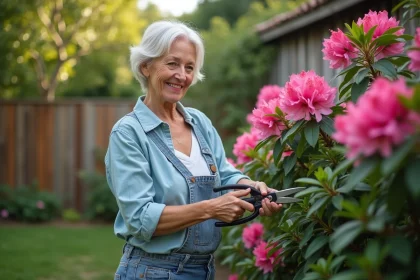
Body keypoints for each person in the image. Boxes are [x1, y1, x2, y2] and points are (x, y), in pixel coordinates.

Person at [105, 20, 282, 280]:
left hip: (203, 270)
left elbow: (226, 174)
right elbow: (140, 218)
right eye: (172, 63)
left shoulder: (199, 122)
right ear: (146, 66)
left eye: (189, 67)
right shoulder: (129, 134)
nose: (182, 75)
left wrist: (254, 188)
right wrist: (210, 208)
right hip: (152, 271)